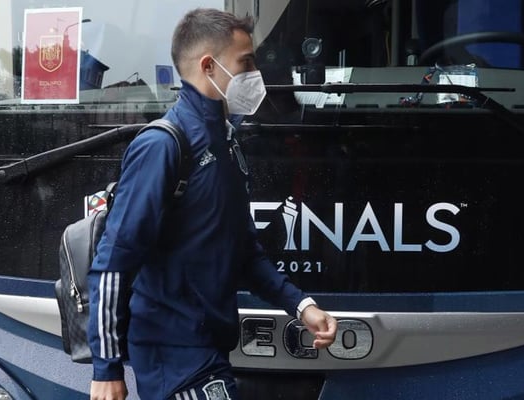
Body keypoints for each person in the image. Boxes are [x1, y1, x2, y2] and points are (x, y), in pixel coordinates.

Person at [88, 8, 337, 400]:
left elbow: (244, 253)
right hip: (176, 359)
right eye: (246, 63)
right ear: (209, 66)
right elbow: (113, 261)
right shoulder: (163, 146)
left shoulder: (225, 141)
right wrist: (106, 368)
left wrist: (301, 306)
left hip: (208, 351)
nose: (256, 75)